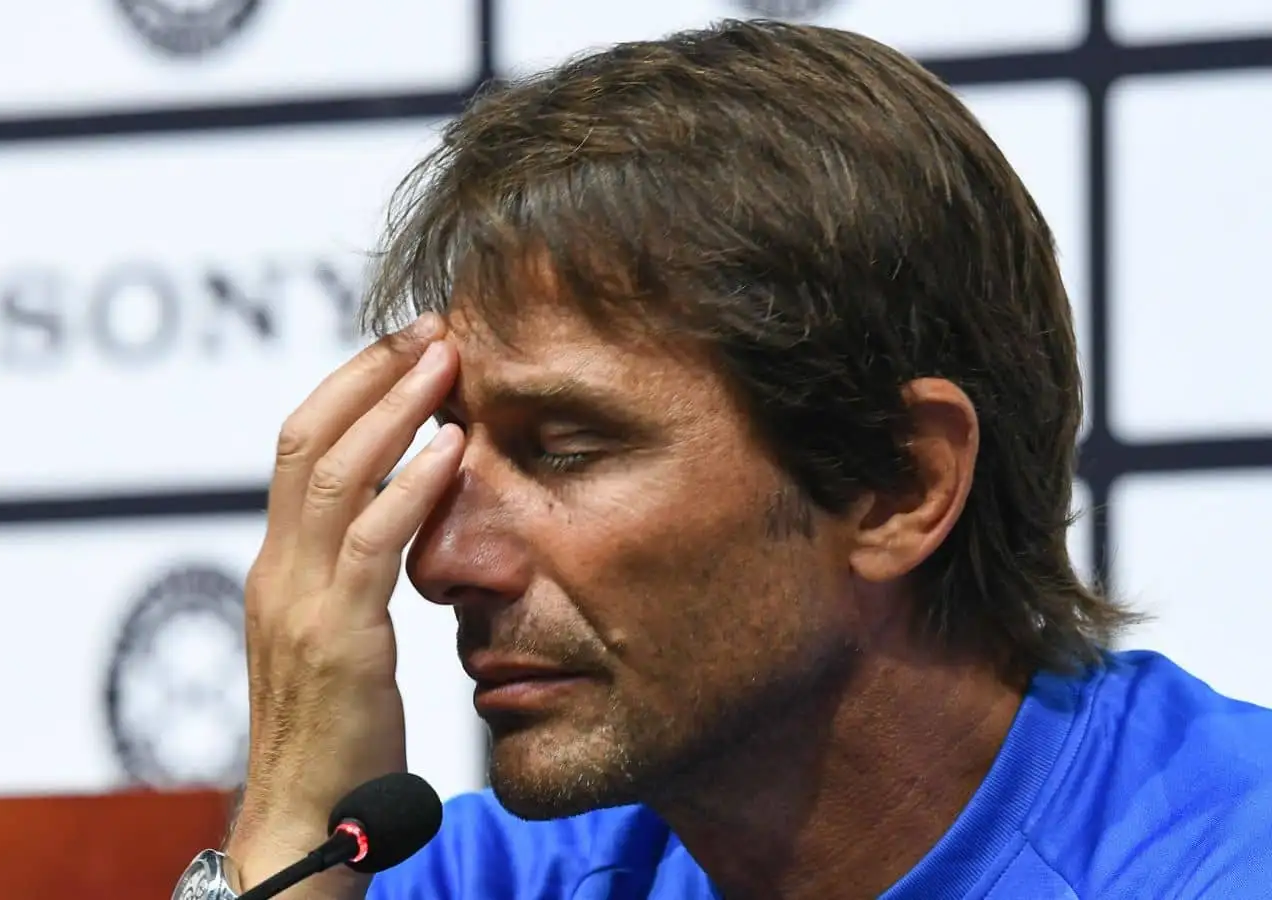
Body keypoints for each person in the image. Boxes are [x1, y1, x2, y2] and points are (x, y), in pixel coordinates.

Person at [211, 19, 1272, 900]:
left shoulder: (1221, 860)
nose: (441, 560)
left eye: (568, 451)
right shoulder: (482, 876)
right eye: (449, 450)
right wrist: (288, 830)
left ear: (896, 485)